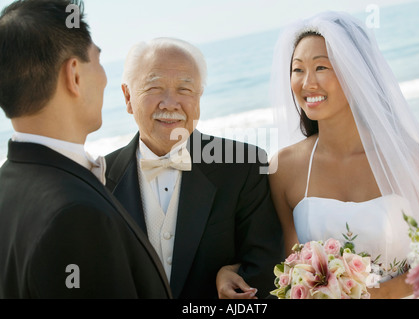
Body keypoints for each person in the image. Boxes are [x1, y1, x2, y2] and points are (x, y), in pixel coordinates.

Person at [268, 11, 419, 299]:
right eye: (298, 69)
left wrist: (370, 295)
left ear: (356, 71)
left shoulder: (409, 158)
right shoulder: (284, 168)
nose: (307, 83)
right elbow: (283, 265)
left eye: (322, 68)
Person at [0, 0, 171, 298]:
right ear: (75, 75)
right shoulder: (74, 216)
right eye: (99, 60)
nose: (105, 78)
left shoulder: (7, 188)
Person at [104, 37, 284, 299]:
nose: (170, 103)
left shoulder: (244, 164)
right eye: (154, 87)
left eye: (185, 90)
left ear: (199, 96)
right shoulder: (97, 178)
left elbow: (266, 270)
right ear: (128, 96)